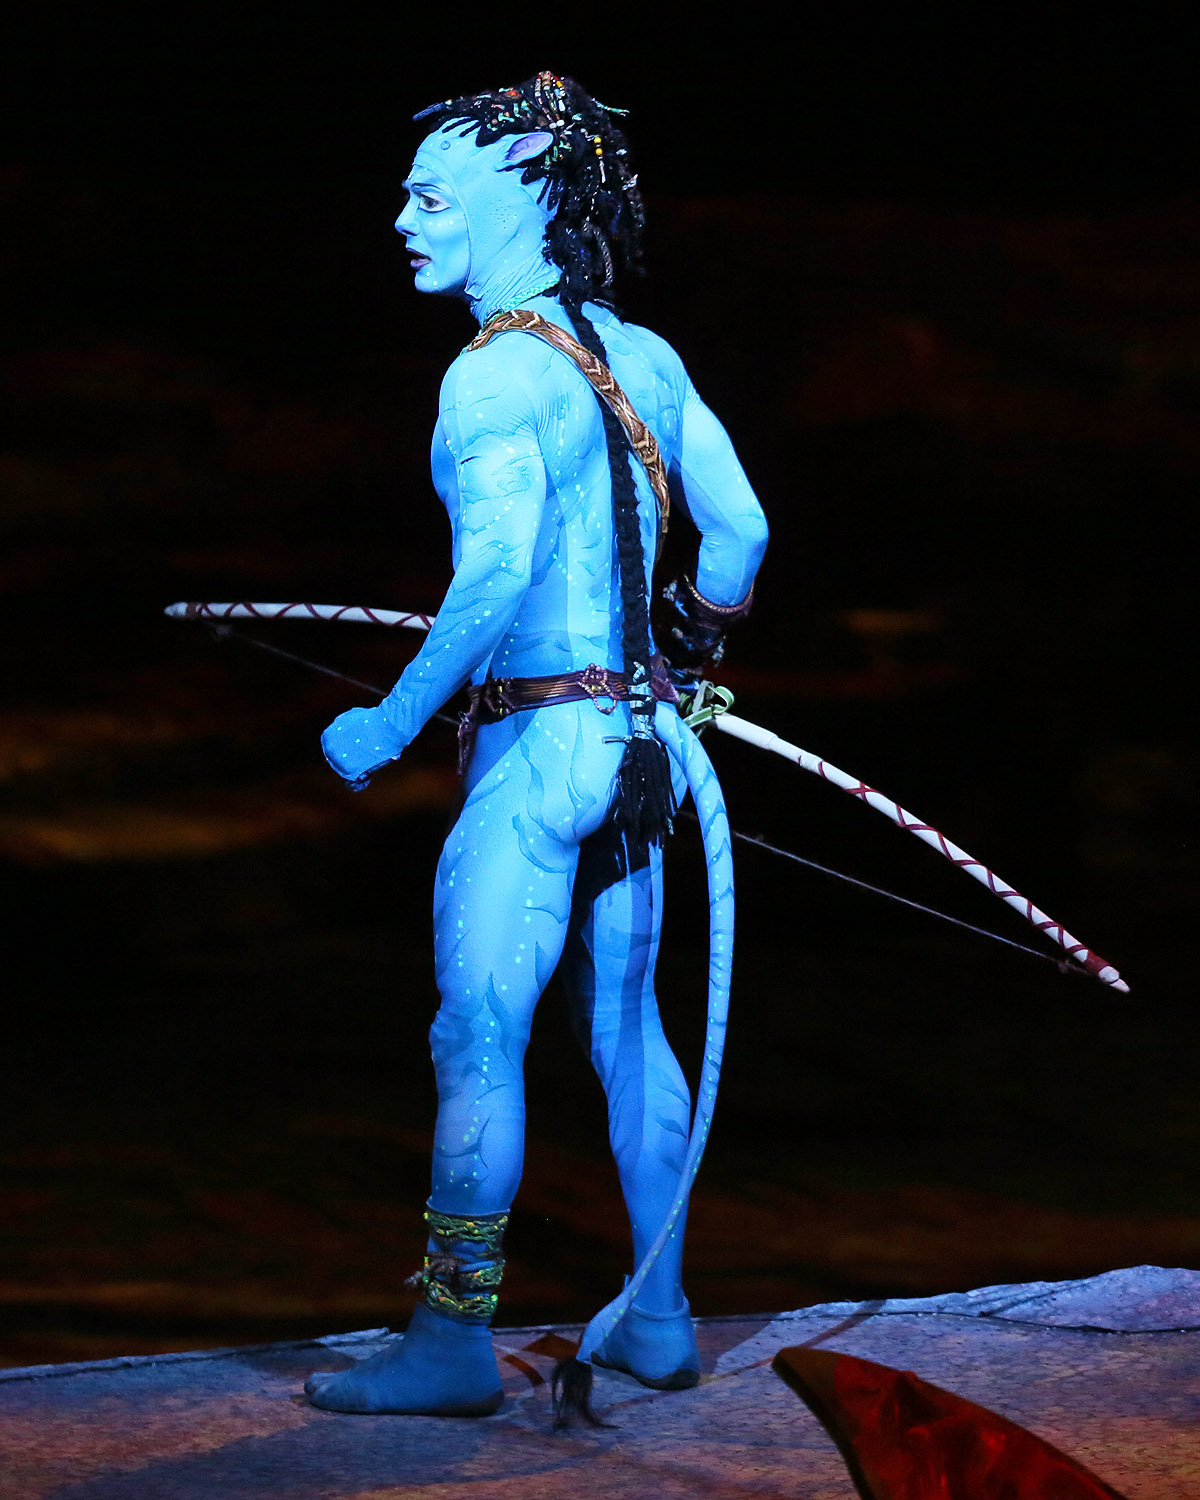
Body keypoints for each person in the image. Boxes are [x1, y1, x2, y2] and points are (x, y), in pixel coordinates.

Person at [307, 71, 768, 1420]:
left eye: (430, 196)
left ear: (521, 195)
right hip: (645, 746)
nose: (404, 219)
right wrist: (691, 655)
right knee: (630, 1031)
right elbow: (739, 533)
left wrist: (387, 722)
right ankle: (660, 1318)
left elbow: (496, 578)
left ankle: (453, 1343)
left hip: (538, 753)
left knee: (478, 1036)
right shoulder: (648, 359)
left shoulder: (490, 376)